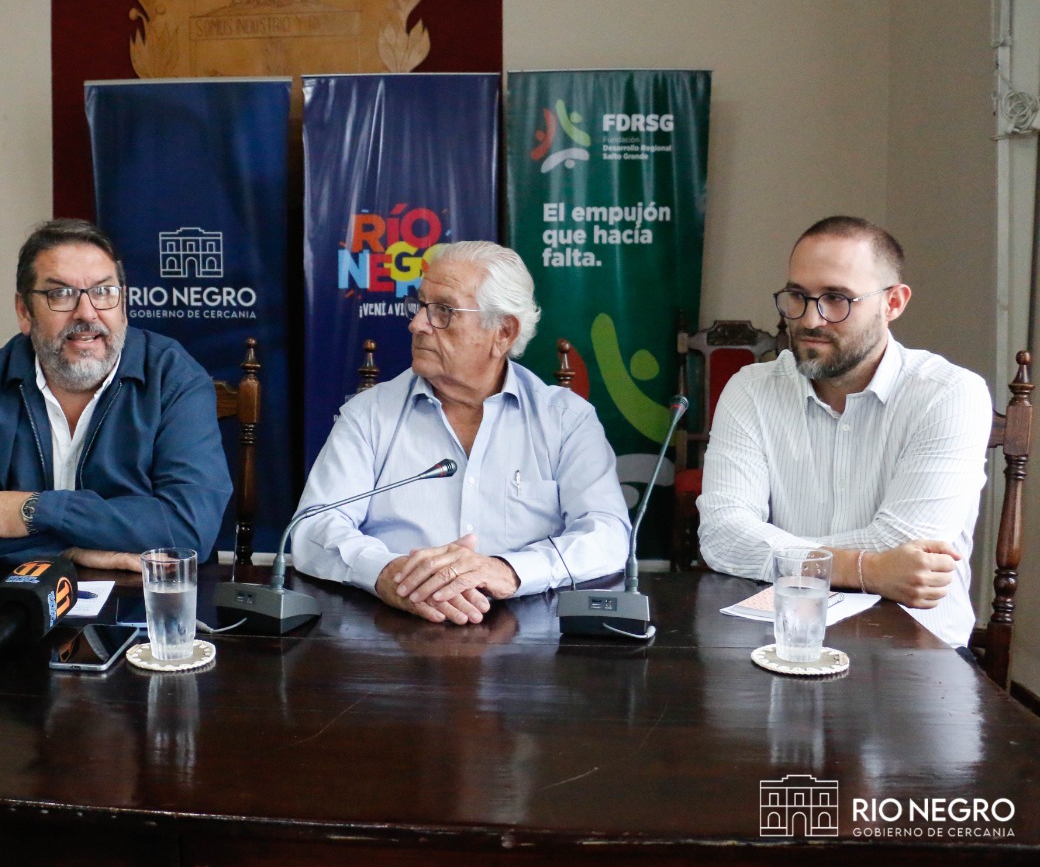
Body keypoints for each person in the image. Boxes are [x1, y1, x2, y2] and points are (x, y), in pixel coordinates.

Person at [292, 240, 630, 624]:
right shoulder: (368, 415)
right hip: (393, 628)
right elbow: (312, 528)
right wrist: (387, 573)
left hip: (529, 633)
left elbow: (608, 534)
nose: (417, 324)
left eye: (443, 311)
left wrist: (510, 570)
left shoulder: (566, 420)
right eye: (421, 305)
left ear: (503, 332)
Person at [697, 216, 990, 647]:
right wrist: (868, 570)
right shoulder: (751, 389)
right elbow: (722, 536)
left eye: (836, 299)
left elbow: (904, 546)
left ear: (893, 303)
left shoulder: (949, 394)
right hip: (784, 638)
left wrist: (769, 551)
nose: (810, 319)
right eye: (798, 296)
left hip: (912, 650)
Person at [0, 218, 230, 569]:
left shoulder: (174, 378)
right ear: (24, 312)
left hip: (140, 595)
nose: (86, 313)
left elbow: (188, 528)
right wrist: (70, 552)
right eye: (61, 294)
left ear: (123, 303)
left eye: (103, 291)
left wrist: (33, 511)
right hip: (18, 592)